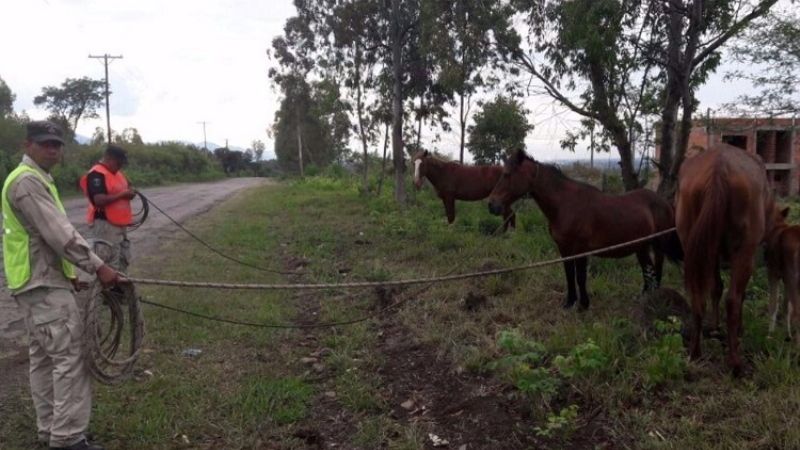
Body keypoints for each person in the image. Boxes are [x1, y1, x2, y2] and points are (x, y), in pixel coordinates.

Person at [2, 120, 125, 450]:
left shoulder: (37, 179)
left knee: (44, 358)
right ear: (28, 145)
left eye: (57, 144)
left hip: (35, 281)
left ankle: (50, 430)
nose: (53, 149)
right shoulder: (28, 182)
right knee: (71, 357)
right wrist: (99, 268)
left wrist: (69, 275)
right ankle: (68, 438)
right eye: (45, 144)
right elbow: (59, 234)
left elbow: (41, 236)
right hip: (41, 284)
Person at [79, 144, 135, 273]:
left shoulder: (118, 173)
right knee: (107, 264)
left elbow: (127, 188)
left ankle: (121, 292)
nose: (120, 166)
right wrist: (123, 194)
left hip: (120, 226)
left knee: (122, 260)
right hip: (104, 226)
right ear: (108, 158)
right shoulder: (96, 174)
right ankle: (105, 293)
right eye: (118, 162)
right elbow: (99, 201)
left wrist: (130, 193)